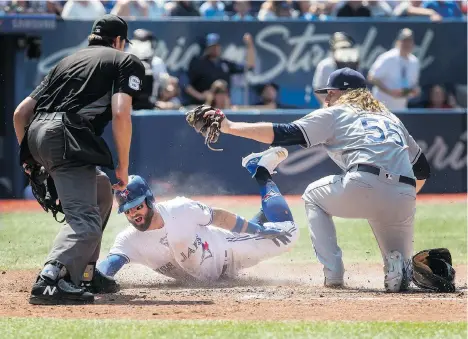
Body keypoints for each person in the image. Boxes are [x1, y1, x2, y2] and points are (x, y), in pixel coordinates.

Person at [199, 68, 431, 292]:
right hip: (404, 192)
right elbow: (422, 169)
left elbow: (283, 133)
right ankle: (397, 266)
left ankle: (334, 274)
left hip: (364, 181)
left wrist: (229, 127)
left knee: (313, 196)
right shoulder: (391, 118)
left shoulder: (336, 112)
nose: (327, 96)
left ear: (344, 93)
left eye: (331, 92)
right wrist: (397, 197)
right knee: (400, 265)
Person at [13, 14, 145, 305]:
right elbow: (122, 113)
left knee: (99, 190)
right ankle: (51, 279)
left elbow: (21, 113)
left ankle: (84, 272)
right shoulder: (125, 60)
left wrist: (32, 161)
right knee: (84, 220)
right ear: (120, 41)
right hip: (66, 136)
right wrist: (122, 166)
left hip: (36, 134)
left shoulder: (66, 62)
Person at [96, 147, 299, 284]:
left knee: (290, 232)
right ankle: (266, 210)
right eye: (128, 210)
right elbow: (109, 265)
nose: (133, 214)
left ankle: (260, 169)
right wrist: (91, 279)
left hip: (231, 249)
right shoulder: (128, 240)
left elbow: (220, 218)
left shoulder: (180, 208)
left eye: (137, 206)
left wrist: (259, 230)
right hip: (219, 271)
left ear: (149, 200)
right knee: (269, 220)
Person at [367, 28, 421, 110]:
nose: (406, 44)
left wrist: (413, 91)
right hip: (381, 108)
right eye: (404, 40)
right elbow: (372, 77)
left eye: (409, 41)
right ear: (398, 42)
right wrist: (390, 92)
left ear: (413, 43)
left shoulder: (414, 62)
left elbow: (412, 85)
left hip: (401, 109)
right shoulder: (388, 58)